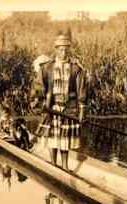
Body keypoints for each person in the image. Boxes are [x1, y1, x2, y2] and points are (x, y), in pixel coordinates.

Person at [31, 28, 87, 170]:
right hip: (52, 108)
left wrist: (81, 113)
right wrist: (40, 104)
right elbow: (38, 87)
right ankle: (54, 165)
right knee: (52, 139)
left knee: (65, 140)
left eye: (66, 50)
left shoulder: (76, 68)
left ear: (69, 50)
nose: (63, 53)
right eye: (61, 50)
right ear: (56, 49)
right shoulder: (47, 68)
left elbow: (82, 91)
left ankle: (65, 166)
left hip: (69, 109)